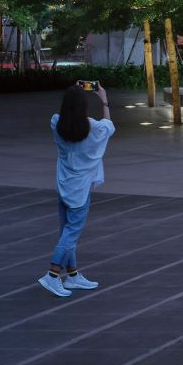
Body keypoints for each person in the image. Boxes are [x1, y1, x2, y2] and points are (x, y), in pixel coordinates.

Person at [43, 83, 114, 298]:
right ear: (84, 106)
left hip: (64, 186)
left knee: (67, 232)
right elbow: (109, 126)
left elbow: (65, 117)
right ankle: (53, 275)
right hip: (81, 190)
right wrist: (103, 99)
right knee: (71, 235)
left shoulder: (56, 123)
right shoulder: (92, 127)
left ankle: (72, 275)